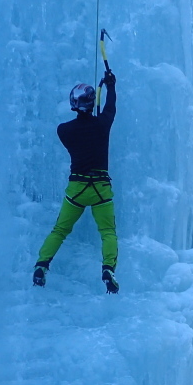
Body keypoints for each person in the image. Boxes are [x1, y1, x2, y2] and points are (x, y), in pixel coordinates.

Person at [34, 71, 119, 294]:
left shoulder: (64, 130)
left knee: (60, 230)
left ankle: (42, 265)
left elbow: (84, 130)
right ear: (92, 103)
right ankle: (108, 268)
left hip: (77, 189)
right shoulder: (103, 125)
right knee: (108, 232)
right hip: (101, 188)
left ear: (73, 103)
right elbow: (110, 108)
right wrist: (111, 86)